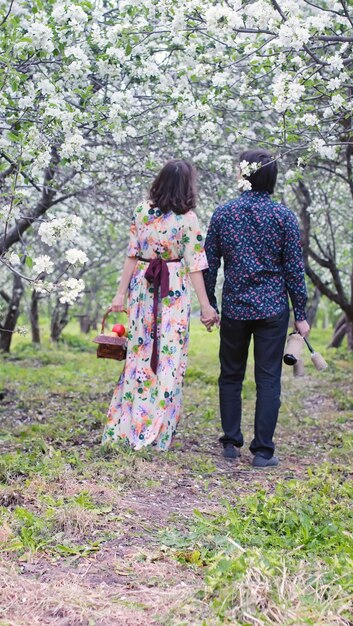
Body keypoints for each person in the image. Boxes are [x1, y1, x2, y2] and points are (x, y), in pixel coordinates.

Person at [203, 148, 310, 468]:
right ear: (272, 176)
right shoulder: (283, 216)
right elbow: (294, 269)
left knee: (230, 375)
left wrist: (210, 304)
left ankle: (231, 443)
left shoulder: (224, 214)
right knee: (268, 380)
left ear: (244, 174)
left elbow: (209, 264)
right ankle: (263, 451)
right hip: (272, 310)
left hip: (235, 308)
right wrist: (301, 314)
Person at [103, 159, 218, 450]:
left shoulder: (143, 210)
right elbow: (194, 266)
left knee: (140, 354)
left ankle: (129, 427)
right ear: (186, 185)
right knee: (169, 358)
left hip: (143, 287)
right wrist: (206, 307)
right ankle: (156, 434)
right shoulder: (188, 219)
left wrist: (120, 294)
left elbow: (132, 255)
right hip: (173, 291)